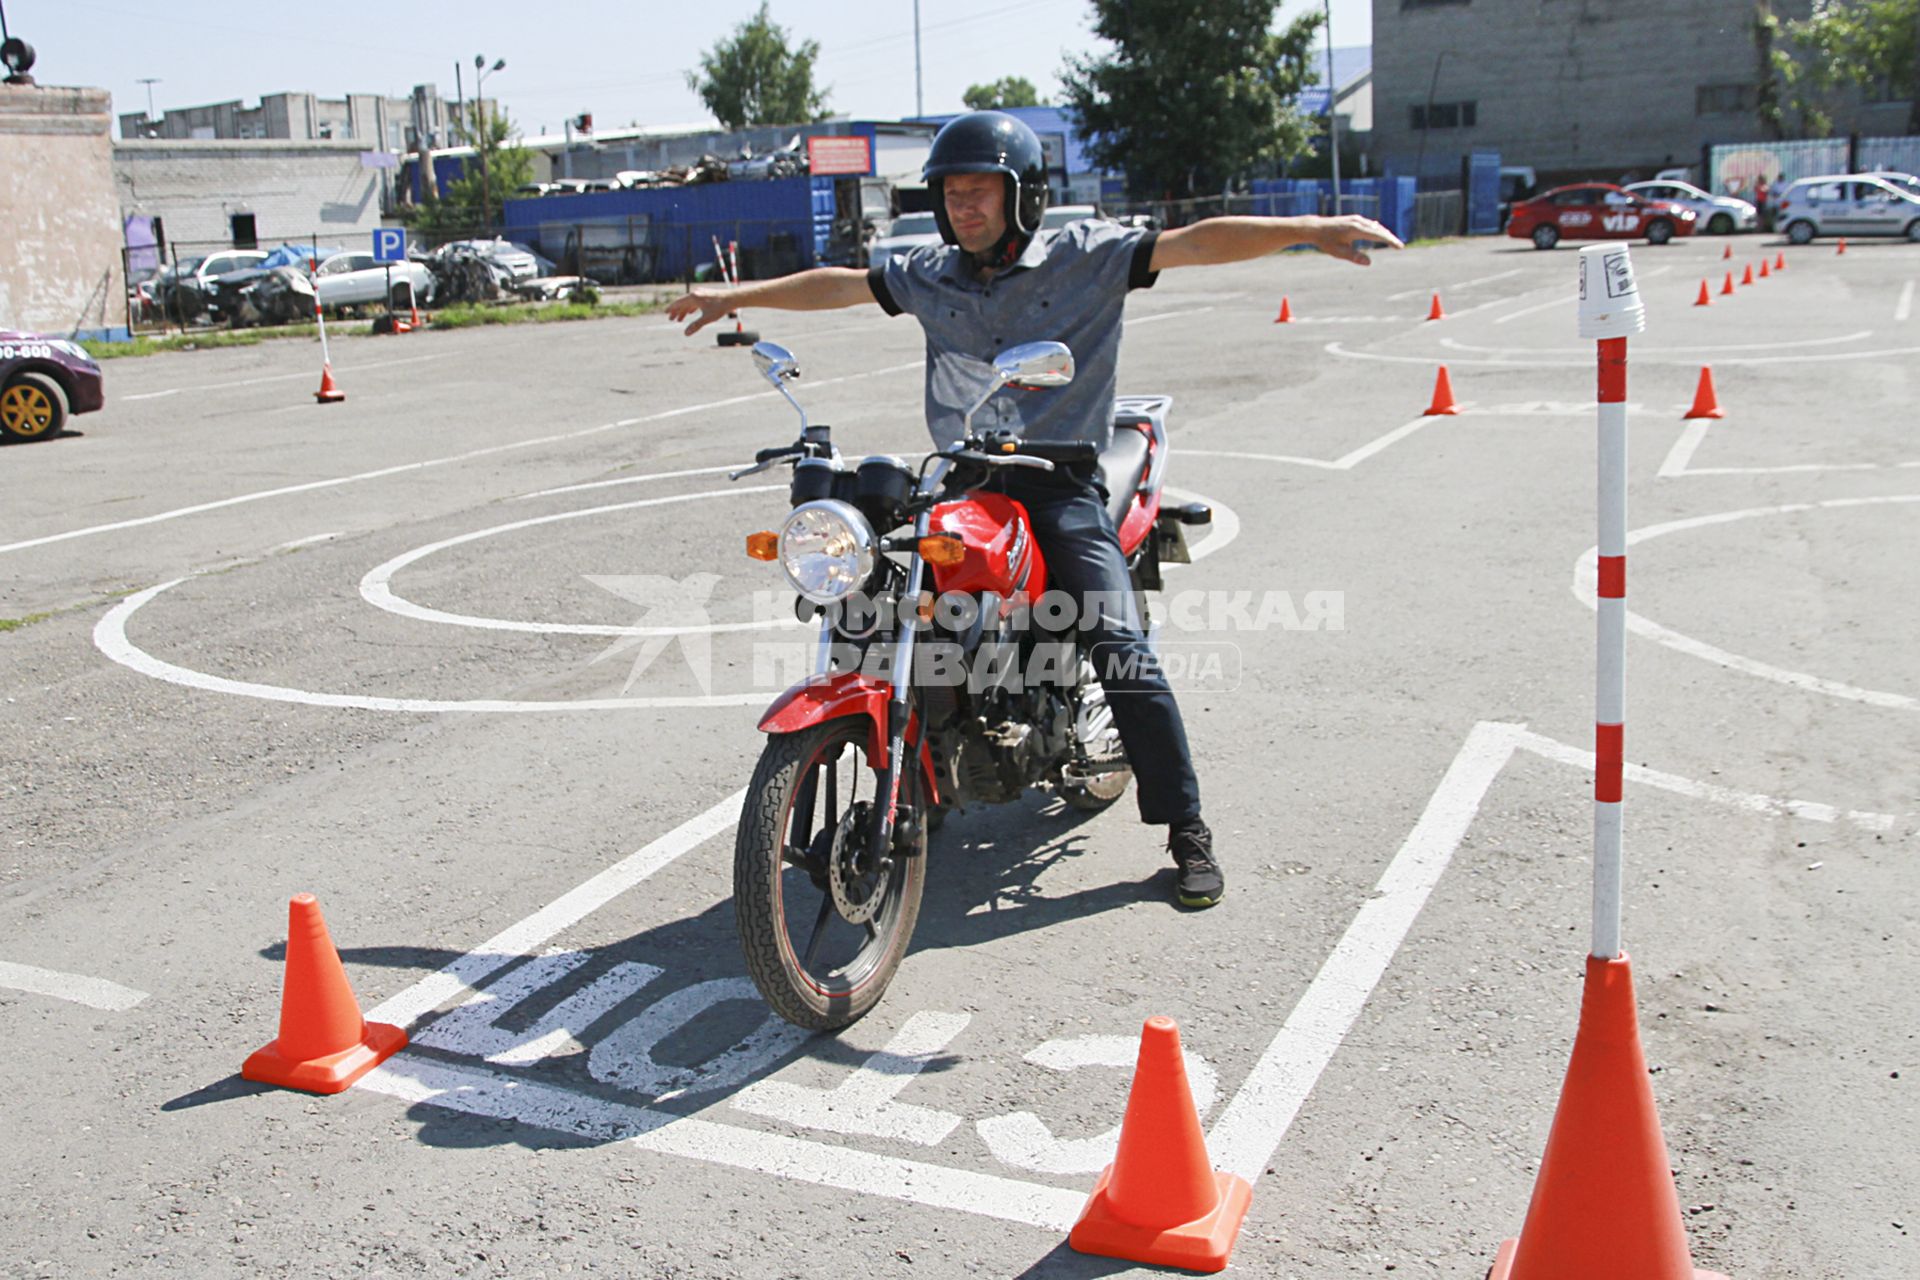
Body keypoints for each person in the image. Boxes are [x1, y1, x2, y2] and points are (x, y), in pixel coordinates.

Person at [668, 111, 1402, 909]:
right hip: (965, 481)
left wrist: (1311, 228)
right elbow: (844, 284)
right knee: (885, 604)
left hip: (1063, 481)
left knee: (1118, 645)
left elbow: (1196, 241)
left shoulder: (1086, 257)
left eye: (980, 191)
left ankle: (1186, 828)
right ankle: (926, 766)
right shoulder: (930, 272)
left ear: (1023, 196)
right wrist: (737, 296)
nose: (962, 207)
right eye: (951, 193)